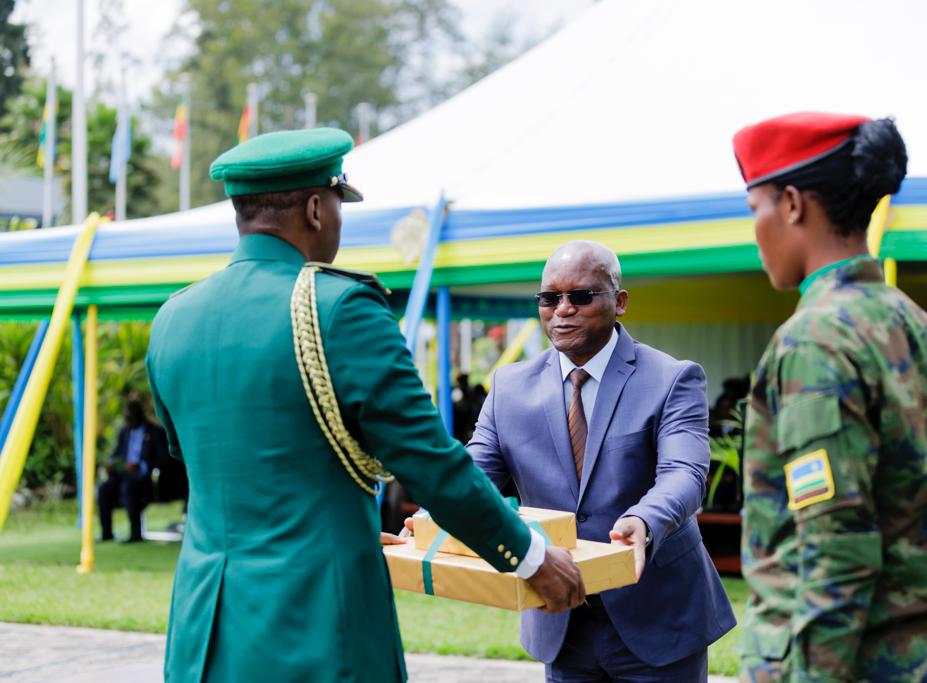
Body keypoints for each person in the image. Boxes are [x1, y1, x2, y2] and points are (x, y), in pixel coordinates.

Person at [146, 128, 585, 683]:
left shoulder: (174, 318)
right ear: (313, 209)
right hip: (313, 628)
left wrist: (342, 518)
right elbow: (429, 461)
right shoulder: (340, 307)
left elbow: (216, 464)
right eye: (336, 205)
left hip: (203, 632)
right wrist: (529, 556)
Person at [732, 112, 927, 681]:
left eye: (756, 209)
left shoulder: (816, 339)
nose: (754, 230)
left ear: (794, 204)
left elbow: (834, 551)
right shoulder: (925, 331)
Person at [467, 240, 736, 681]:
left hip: (657, 615)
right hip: (560, 616)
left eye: (581, 296)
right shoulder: (509, 388)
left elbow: (684, 473)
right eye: (550, 298)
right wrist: (427, 519)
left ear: (620, 301)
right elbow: (473, 475)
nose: (563, 309)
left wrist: (647, 520)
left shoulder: (672, 378)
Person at [98, 397, 166, 543]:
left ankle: (136, 534)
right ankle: (106, 533)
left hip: (146, 479)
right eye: (126, 417)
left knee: (129, 485)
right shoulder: (124, 432)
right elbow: (117, 454)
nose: (128, 421)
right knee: (104, 488)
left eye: (131, 417)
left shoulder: (154, 432)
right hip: (123, 476)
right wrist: (112, 464)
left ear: (139, 416)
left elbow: (163, 459)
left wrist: (140, 465)